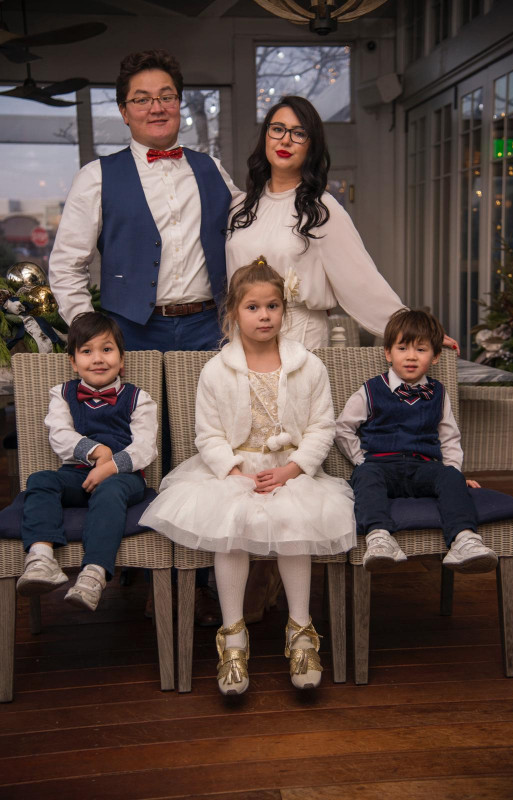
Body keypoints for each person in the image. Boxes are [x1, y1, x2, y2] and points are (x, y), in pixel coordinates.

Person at [49, 49, 240, 624]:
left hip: (208, 326)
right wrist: (91, 334)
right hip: (131, 328)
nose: (156, 107)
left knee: (206, 448)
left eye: (166, 96)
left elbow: (248, 239)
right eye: (142, 98)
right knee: (135, 445)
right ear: (124, 110)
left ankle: (205, 576)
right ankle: (135, 556)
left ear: (179, 104)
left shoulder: (212, 169)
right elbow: (67, 265)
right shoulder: (97, 175)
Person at [139, 258, 356, 695]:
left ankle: (301, 633)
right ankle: (234, 639)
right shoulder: (216, 370)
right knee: (232, 525)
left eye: (272, 306)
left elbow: (321, 427)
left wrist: (292, 469)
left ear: (284, 310)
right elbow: (208, 434)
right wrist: (235, 472)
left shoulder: (308, 365)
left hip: (290, 470)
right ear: (233, 313)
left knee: (295, 519)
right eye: (253, 307)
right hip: (235, 471)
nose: (264, 316)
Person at [226, 95, 459, 353]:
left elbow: (362, 281)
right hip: (244, 338)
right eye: (278, 129)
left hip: (298, 338)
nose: (286, 140)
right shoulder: (240, 207)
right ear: (266, 137)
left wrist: (415, 331)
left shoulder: (321, 210)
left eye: (299, 134)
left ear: (311, 146)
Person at [335, 308, 498, 573]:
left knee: (451, 477)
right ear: (388, 353)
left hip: (424, 468)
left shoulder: (438, 393)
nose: (411, 356)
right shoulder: (371, 390)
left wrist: (453, 473)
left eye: (421, 350)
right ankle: (379, 538)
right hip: (381, 467)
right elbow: (343, 428)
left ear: (435, 356)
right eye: (402, 348)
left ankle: (464, 540)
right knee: (365, 476)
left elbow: (449, 438)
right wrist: (361, 460)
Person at [16, 312, 158, 611]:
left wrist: (110, 465)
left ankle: (94, 573)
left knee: (110, 490)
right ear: (73, 361)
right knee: (40, 480)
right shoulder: (62, 394)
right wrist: (95, 451)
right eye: (86, 351)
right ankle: (41, 557)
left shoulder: (138, 398)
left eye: (107, 349)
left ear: (121, 359)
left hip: (124, 479)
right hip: (77, 475)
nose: (98, 359)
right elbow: (59, 434)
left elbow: (145, 447)